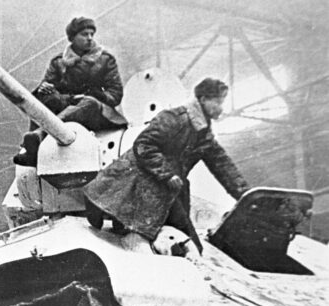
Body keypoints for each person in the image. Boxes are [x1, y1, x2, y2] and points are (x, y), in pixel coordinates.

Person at [82, 78, 249, 253]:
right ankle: (103, 207)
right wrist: (166, 174)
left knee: (192, 245)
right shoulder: (174, 119)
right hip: (143, 181)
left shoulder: (203, 132)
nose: (221, 108)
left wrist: (244, 194)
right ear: (204, 99)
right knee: (139, 231)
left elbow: (222, 165)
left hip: (169, 189)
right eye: (218, 102)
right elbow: (143, 145)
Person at [14, 15, 128, 167]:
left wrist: (96, 94)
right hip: (68, 103)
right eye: (84, 34)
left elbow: (116, 94)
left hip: (96, 111)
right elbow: (47, 87)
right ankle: (31, 151)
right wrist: (45, 88)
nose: (89, 38)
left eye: (91, 34)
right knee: (44, 99)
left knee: (89, 103)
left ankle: (39, 135)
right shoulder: (59, 62)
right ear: (72, 38)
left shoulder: (105, 59)